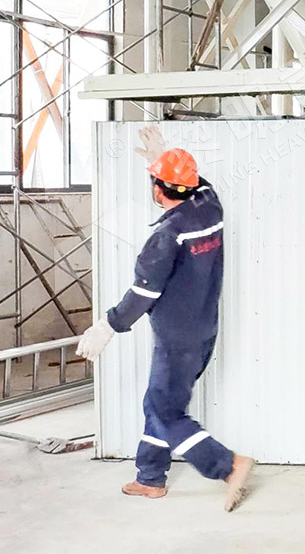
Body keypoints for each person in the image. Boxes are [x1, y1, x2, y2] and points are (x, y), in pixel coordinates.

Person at [77, 148, 254, 511]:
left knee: (165, 410)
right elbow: (201, 187)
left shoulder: (167, 236)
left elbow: (143, 294)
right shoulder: (209, 208)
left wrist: (107, 326)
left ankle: (228, 465)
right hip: (205, 328)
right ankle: (150, 477)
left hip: (177, 337)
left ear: (159, 190)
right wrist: (170, 163)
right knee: (159, 402)